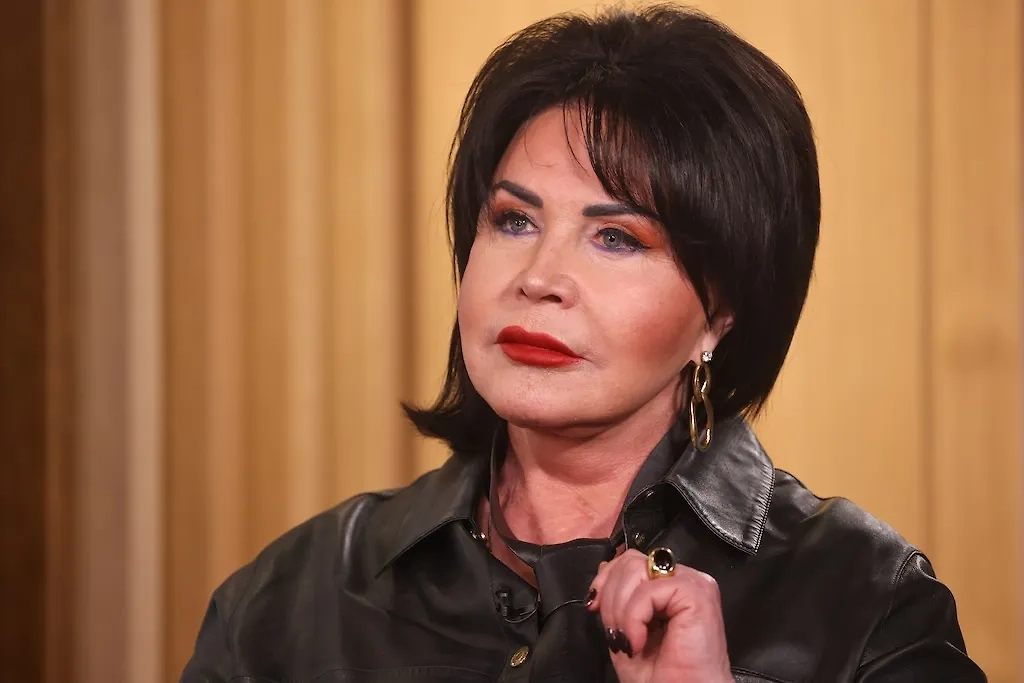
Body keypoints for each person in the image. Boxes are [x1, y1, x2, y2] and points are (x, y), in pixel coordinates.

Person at [181, 6, 984, 682]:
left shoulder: (867, 602)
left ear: (720, 313)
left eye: (616, 237)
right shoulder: (289, 601)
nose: (539, 278)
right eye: (513, 220)